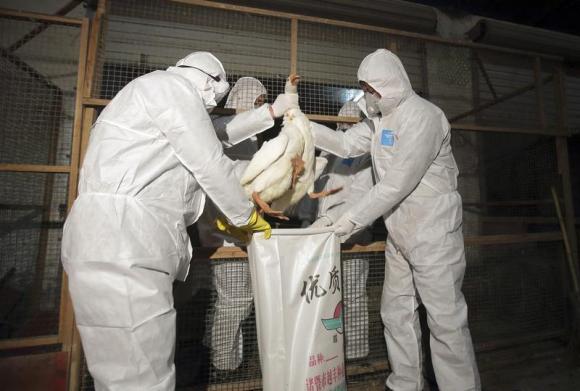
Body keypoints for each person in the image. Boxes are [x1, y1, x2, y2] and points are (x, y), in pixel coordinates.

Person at [61, 52, 297, 391]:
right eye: (217, 97)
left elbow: (214, 132)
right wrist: (246, 217)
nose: (216, 105)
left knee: (117, 371)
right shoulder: (172, 90)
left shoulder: (150, 93)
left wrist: (271, 112)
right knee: (144, 377)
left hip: (103, 241)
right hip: (127, 244)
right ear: (210, 82)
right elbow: (209, 160)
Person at [310, 49, 480, 391]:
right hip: (400, 233)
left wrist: (345, 223)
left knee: (445, 321)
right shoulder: (379, 121)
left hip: (433, 233)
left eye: (370, 88)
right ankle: (405, 383)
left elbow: (395, 184)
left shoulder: (424, 116)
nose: (367, 95)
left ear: (387, 84)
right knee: (395, 312)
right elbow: (343, 144)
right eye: (364, 88)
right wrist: (302, 126)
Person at [197, 77, 269, 371]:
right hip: (225, 231)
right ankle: (223, 363)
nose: (261, 108)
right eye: (258, 102)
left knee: (229, 299)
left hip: (239, 230)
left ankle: (216, 352)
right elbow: (228, 181)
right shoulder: (222, 131)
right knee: (235, 301)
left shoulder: (250, 139)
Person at [311, 101, 373, 360]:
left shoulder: (367, 155)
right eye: (341, 123)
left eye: (351, 123)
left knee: (353, 296)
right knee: (328, 297)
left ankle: (357, 354)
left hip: (353, 238)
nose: (344, 127)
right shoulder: (330, 153)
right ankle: (332, 354)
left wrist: (334, 222)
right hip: (325, 239)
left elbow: (362, 195)